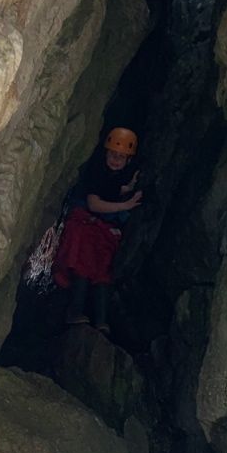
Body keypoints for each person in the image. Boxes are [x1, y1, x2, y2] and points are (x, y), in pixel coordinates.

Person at [52, 127, 143, 334]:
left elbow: (113, 188)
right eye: (112, 154)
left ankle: (101, 321)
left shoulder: (117, 176)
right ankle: (74, 312)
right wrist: (125, 205)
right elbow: (94, 203)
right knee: (83, 264)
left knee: (102, 269)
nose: (116, 160)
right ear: (105, 153)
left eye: (121, 157)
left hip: (100, 229)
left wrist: (128, 189)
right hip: (84, 225)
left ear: (128, 159)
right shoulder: (95, 172)